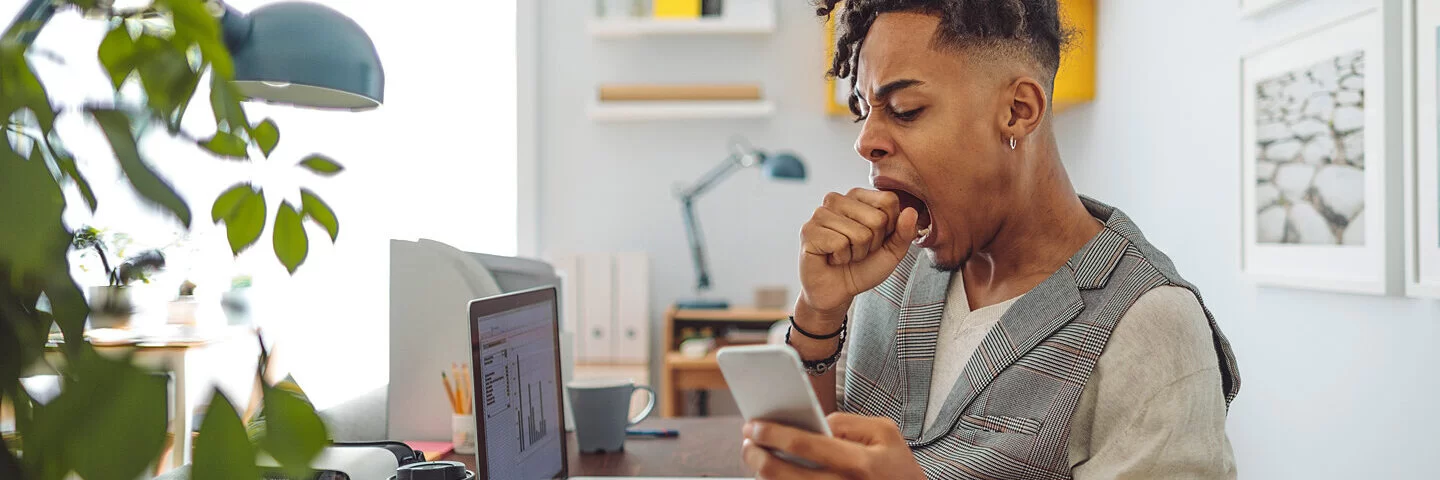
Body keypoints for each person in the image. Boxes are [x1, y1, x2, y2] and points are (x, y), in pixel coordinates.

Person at [739, 1, 1242, 479]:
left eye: (905, 108)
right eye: (863, 109)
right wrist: (819, 316)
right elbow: (808, 457)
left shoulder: (1150, 326)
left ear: (1019, 110)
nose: (865, 140)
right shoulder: (886, 269)